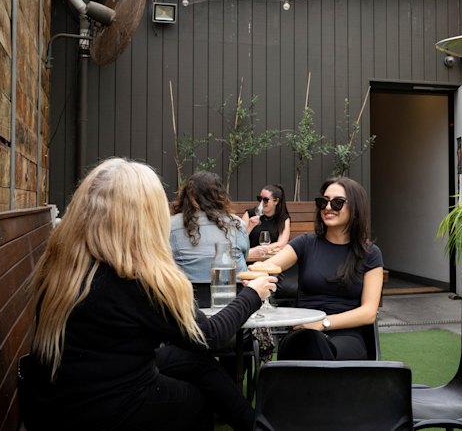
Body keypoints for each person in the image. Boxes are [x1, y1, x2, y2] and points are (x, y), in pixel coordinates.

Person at [20, 158, 277, 431]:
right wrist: (252, 294)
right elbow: (209, 336)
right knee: (196, 401)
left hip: (50, 401)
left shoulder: (63, 261)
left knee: (194, 362)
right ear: (145, 217)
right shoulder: (136, 277)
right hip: (105, 407)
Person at [249, 176, 383, 360]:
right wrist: (255, 269)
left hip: (346, 333)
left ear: (355, 207)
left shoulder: (370, 253)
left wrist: (323, 323)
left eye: (337, 203)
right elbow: (270, 266)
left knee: (320, 349)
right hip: (302, 330)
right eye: (323, 202)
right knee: (309, 343)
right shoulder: (306, 243)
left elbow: (368, 312)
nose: (328, 208)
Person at [170, 171, 249, 282]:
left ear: (187, 196)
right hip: (236, 293)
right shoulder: (236, 223)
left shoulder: (171, 225)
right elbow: (244, 257)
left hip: (187, 295)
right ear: (221, 196)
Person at [243, 184, 290, 259]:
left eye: (265, 200)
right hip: (249, 258)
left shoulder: (282, 218)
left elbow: (282, 243)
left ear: (276, 201)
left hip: (271, 260)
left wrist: (263, 249)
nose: (261, 203)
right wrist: (250, 226)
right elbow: (239, 240)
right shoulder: (250, 214)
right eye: (260, 199)